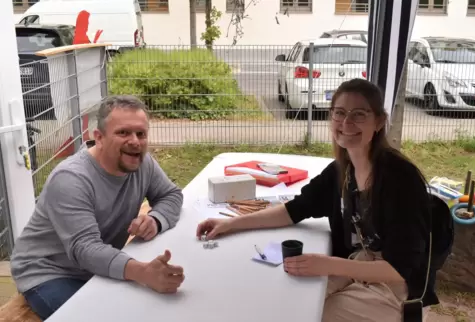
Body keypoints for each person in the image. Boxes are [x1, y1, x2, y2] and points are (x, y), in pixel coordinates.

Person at [196, 78, 437, 322]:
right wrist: (229, 224)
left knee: (309, 314)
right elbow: (292, 210)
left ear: (379, 122)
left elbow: (399, 269)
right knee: (292, 298)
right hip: (359, 264)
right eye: (339, 113)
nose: (346, 122)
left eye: (359, 114)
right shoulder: (341, 171)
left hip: (399, 289)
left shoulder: (400, 179)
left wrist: (327, 264)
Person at [10, 95, 185, 321]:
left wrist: (156, 219)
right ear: (99, 138)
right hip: (50, 271)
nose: (135, 142)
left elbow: (170, 195)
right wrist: (142, 272)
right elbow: (85, 248)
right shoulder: (71, 179)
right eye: (123, 133)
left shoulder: (143, 163)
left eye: (141, 134)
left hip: (98, 263)